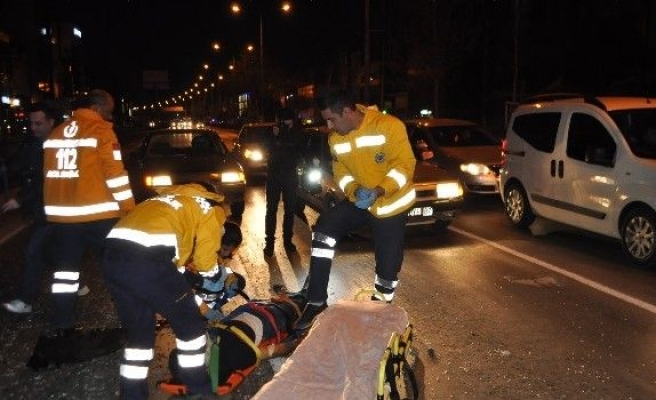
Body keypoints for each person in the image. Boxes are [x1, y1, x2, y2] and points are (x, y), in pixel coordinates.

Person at [99, 183, 242, 400]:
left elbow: (172, 256)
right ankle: (199, 392)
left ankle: (131, 396)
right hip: (148, 263)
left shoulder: (165, 201)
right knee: (191, 329)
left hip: (112, 260)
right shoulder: (209, 208)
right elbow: (205, 260)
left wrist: (188, 276)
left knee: (139, 338)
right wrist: (214, 276)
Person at [294, 89, 417, 333]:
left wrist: (380, 190)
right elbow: (341, 173)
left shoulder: (388, 126)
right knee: (324, 229)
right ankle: (316, 300)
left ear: (348, 112)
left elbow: (404, 166)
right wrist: (355, 190)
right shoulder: (336, 139)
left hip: (391, 203)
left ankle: (380, 310)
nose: (329, 125)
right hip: (362, 199)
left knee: (388, 266)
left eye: (332, 119)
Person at [32, 89, 135, 350]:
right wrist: (129, 209)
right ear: (98, 108)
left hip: (63, 219)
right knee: (116, 268)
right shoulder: (100, 131)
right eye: (110, 111)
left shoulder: (56, 133)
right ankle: (132, 320)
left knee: (65, 274)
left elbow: (49, 174)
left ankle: (62, 325)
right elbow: (115, 174)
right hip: (100, 215)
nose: (111, 117)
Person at [1, 101, 92, 314]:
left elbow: (47, 181)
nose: (33, 128)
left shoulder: (62, 145)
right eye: (31, 123)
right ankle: (79, 285)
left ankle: (25, 300)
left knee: (34, 252)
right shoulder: (32, 143)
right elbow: (18, 166)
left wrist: (20, 199)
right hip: (43, 210)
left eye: (38, 123)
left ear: (52, 122)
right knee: (52, 253)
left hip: (58, 210)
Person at [263, 107, 305, 257]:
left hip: (289, 175)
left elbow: (297, 148)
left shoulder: (297, 133)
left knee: (290, 210)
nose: (283, 123)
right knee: (271, 210)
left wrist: (281, 136)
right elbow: (267, 147)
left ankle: (288, 241)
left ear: (292, 120)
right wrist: (275, 137)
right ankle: (269, 243)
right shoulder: (273, 132)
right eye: (281, 120)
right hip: (274, 175)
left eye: (286, 120)